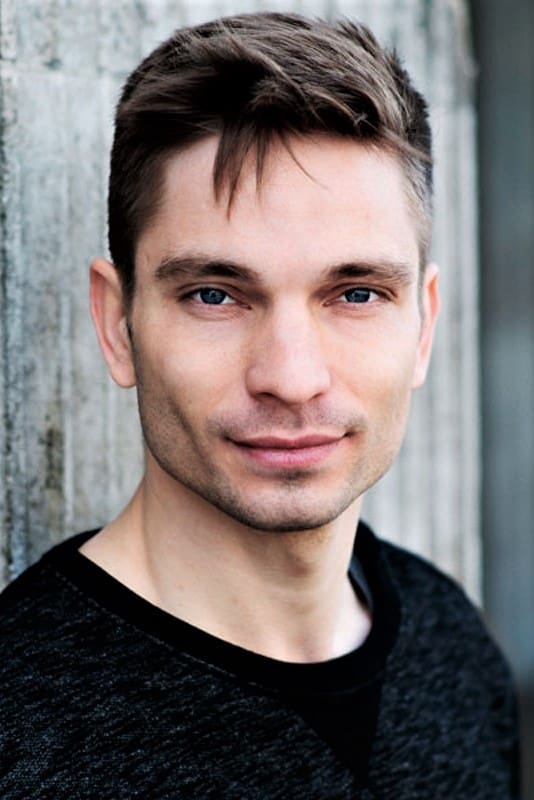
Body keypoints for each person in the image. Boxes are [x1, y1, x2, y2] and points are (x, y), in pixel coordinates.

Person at [0, 11, 520, 799]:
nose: (291, 377)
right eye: (215, 294)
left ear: (423, 325)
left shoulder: (452, 647)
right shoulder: (21, 729)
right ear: (117, 324)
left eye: (356, 293)